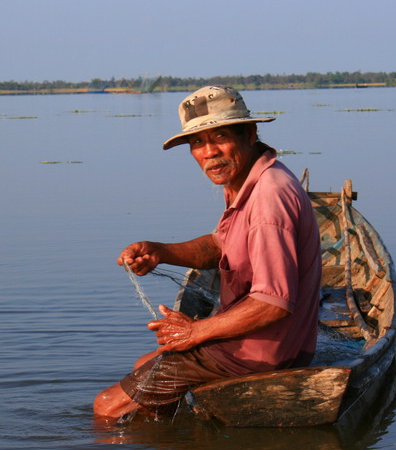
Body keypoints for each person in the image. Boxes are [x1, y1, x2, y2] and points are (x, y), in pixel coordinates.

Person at [93, 86, 321, 420]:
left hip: (260, 351)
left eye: (221, 136)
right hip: (259, 343)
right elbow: (220, 246)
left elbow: (273, 303)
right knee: (143, 365)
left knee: (107, 406)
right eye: (197, 142)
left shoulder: (269, 198)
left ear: (249, 133)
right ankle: (173, 449)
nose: (209, 152)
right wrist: (160, 252)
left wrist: (194, 332)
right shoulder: (248, 182)